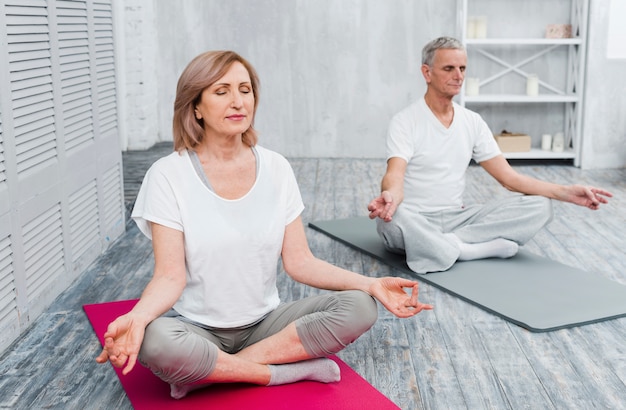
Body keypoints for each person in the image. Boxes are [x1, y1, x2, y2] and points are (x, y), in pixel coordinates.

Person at [96, 50, 433, 400]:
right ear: (195, 106)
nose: (238, 100)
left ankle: (212, 373)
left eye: (245, 89)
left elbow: (300, 262)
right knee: (157, 343)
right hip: (198, 329)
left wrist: (373, 284)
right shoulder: (168, 175)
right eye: (221, 91)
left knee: (361, 306)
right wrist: (136, 319)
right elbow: (169, 276)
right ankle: (281, 373)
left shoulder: (276, 168)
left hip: (267, 325)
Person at [367, 36, 612, 274]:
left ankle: (442, 246)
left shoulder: (472, 121)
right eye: (449, 68)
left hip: (459, 219)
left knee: (540, 206)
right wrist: (390, 196)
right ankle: (468, 250)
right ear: (427, 73)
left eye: (463, 68)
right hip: (415, 219)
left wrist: (567, 192)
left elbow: (509, 179)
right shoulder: (405, 121)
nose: (459, 76)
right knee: (390, 220)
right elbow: (395, 175)